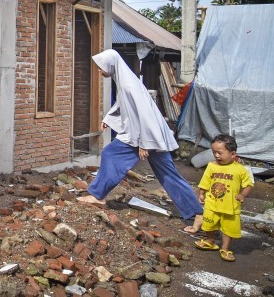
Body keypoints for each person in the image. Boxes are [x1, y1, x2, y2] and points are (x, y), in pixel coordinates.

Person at [78, 50, 203, 230]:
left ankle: (98, 195)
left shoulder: (129, 85)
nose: (100, 71)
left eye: (101, 68)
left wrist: (145, 143)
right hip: (150, 135)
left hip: (144, 136)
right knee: (168, 174)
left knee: (110, 153)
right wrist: (109, 118)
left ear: (111, 65)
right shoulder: (126, 81)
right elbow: (123, 105)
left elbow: (145, 115)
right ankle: (196, 212)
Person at [193, 134, 254, 262]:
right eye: (214, 152)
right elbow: (205, 181)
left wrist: (242, 194)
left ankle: (225, 248)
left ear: (232, 154)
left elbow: (248, 184)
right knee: (208, 224)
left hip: (230, 206)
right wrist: (202, 193)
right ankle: (210, 240)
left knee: (228, 229)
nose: (216, 155)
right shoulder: (211, 166)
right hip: (212, 203)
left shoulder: (240, 169)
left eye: (219, 152)